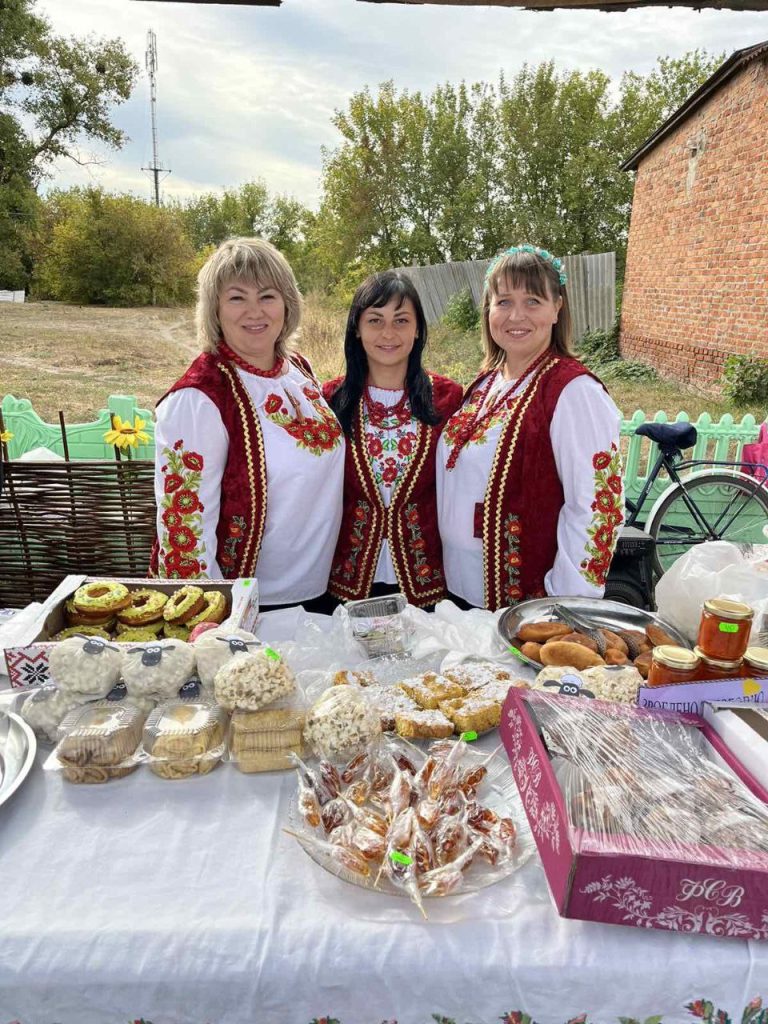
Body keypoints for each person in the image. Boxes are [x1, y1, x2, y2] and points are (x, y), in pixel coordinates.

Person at [151, 237, 345, 611]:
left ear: (287, 304)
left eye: (267, 296)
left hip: (319, 590)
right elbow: (184, 532)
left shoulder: (298, 370)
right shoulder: (200, 397)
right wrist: (210, 619)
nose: (255, 311)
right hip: (251, 605)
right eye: (237, 298)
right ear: (215, 309)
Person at [436, 244, 623, 611]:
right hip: (459, 592)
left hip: (525, 605)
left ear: (557, 308)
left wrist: (564, 606)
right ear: (488, 309)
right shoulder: (486, 383)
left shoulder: (573, 391)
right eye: (503, 301)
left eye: (533, 301)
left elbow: (597, 508)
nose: (516, 315)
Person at [323, 270, 463, 608]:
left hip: (427, 582)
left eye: (401, 320)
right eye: (375, 320)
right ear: (357, 328)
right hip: (346, 581)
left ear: (418, 330)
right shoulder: (331, 399)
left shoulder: (448, 398)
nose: (388, 333)